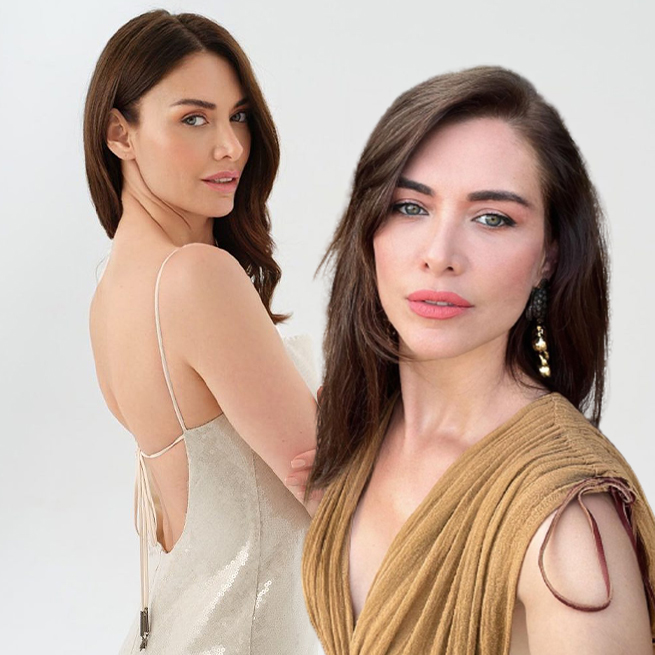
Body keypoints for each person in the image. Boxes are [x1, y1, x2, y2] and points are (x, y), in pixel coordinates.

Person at [302, 66, 655, 654]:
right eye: (410, 207)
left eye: (493, 218)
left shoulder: (568, 523)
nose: (440, 254)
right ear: (369, 229)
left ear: (548, 258)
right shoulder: (357, 433)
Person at [85, 10, 319, 654]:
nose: (230, 147)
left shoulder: (111, 296)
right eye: (194, 118)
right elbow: (336, 495)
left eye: (238, 116)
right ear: (119, 133)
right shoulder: (195, 278)